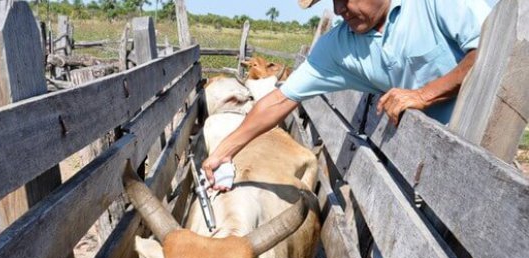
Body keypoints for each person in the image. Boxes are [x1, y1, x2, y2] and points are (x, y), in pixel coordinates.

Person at [202, 0, 490, 190]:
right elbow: (280, 99)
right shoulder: (339, 46)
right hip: (415, 164)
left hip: (481, 153)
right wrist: (224, 152)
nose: (340, 9)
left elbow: (493, 50)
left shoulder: (434, 4)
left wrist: (425, 95)